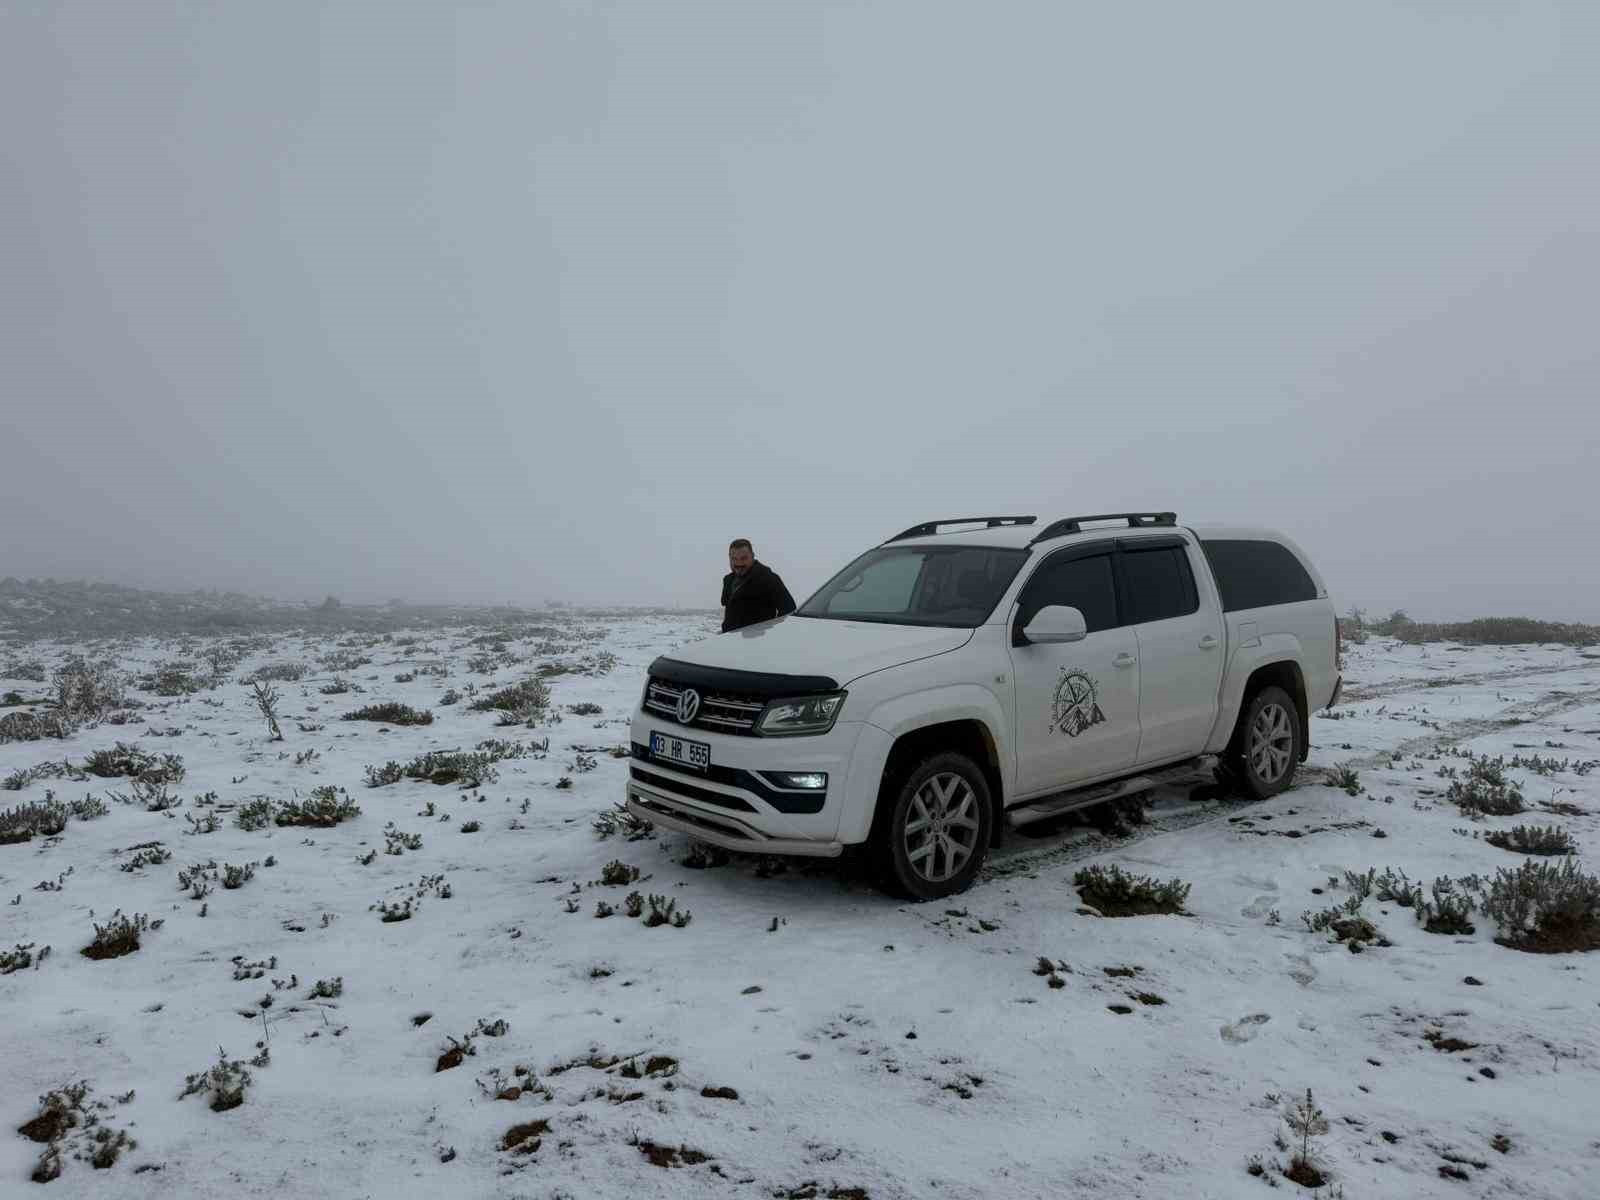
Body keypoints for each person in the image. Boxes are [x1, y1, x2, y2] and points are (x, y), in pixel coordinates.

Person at [721, 539, 796, 632]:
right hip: (729, 639)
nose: (739, 563)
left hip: (757, 642)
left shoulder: (768, 578)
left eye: (744, 558)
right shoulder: (728, 579)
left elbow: (788, 610)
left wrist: (772, 633)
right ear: (729, 558)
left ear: (752, 556)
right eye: (734, 559)